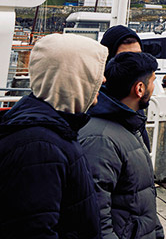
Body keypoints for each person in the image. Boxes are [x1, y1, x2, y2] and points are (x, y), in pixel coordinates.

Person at [0, 33, 108, 238]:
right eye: (94, 71)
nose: (103, 79)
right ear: (73, 77)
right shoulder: (40, 147)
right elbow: (33, 230)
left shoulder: (51, 132)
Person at [80, 52, 164, 239]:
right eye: (153, 81)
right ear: (139, 89)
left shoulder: (128, 126)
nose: (155, 87)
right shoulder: (101, 140)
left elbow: (141, 200)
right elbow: (96, 217)